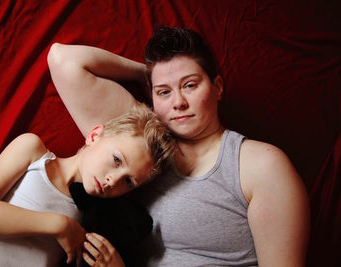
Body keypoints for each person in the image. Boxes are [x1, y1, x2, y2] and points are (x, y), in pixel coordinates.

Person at [47, 26, 311, 266]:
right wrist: (145, 74)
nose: (178, 102)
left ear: (217, 87)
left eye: (190, 85)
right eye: (164, 92)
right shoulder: (137, 147)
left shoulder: (261, 165)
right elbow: (63, 60)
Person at [0, 103, 175, 267]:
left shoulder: (90, 223)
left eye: (128, 181)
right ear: (94, 136)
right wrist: (58, 224)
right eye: (116, 160)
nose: (112, 180)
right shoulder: (33, 153)